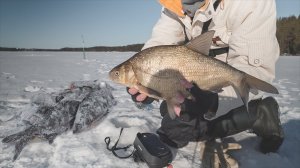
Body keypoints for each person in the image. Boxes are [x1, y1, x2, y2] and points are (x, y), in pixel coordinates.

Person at [127, 0, 284, 154]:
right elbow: (160, 44)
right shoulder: (173, 4)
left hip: (226, 82)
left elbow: (255, 69)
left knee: (176, 129)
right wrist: (149, 80)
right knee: (168, 111)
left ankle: (260, 113)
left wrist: (214, 102)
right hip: (196, 77)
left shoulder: (250, 3)